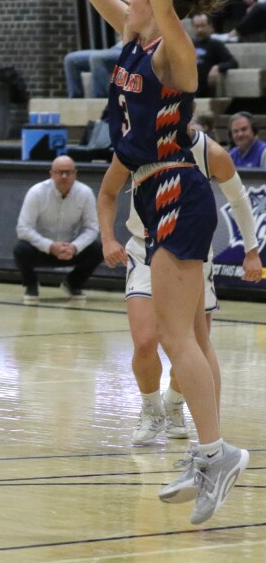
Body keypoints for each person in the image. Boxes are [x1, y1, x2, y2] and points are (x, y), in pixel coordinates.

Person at [21, 0, 248, 523]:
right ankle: (207, 452)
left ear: (159, 1)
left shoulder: (172, 54)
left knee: (180, 339)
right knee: (183, 337)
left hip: (180, 187)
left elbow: (168, 16)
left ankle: (215, 453)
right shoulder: (129, 38)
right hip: (153, 193)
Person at [99, 123, 261, 448]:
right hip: (143, 247)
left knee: (191, 347)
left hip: (192, 253)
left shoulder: (209, 151)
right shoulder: (136, 143)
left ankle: (177, 402)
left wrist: (252, 251)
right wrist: (107, 239)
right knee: (145, 342)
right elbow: (107, 193)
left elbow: (240, 200)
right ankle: (150, 407)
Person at [13, 155, 103, 301]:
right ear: (51, 174)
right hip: (42, 250)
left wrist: (74, 247)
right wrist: (50, 246)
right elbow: (23, 229)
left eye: (68, 172)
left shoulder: (85, 193)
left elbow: (91, 228)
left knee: (99, 249)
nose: (64, 176)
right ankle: (31, 285)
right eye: (59, 172)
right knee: (20, 250)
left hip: (70, 251)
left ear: (75, 174)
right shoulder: (36, 192)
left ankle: (72, 283)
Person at [190, 13, 237, 97]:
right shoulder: (190, 44)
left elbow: (233, 62)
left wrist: (217, 67)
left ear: (210, 27)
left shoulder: (215, 45)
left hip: (207, 88)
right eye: (197, 26)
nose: (200, 29)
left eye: (203, 26)